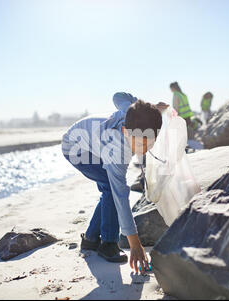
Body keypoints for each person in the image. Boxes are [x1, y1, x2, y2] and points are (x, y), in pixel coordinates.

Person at [61, 92, 163, 274]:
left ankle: (91, 239)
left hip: (93, 143)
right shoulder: (118, 150)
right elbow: (121, 196)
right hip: (76, 148)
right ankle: (108, 243)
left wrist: (148, 107)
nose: (144, 149)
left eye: (150, 143)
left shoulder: (130, 112)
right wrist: (135, 243)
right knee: (111, 189)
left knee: (109, 187)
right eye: (140, 144)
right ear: (125, 132)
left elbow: (118, 96)